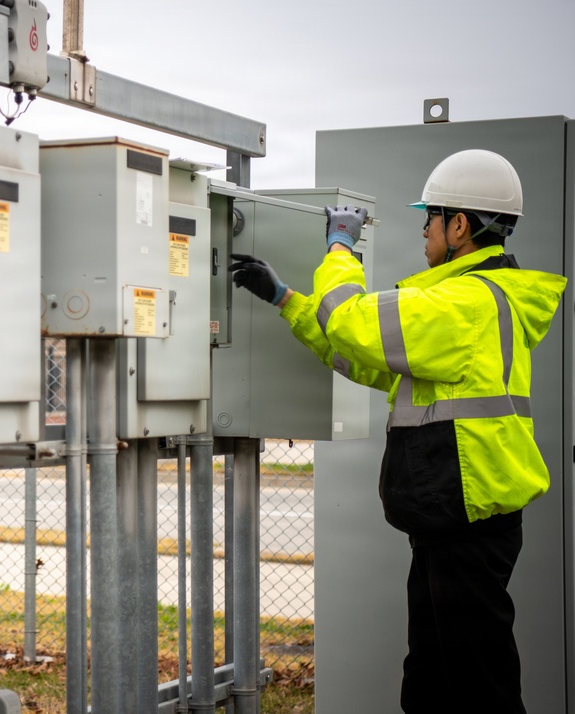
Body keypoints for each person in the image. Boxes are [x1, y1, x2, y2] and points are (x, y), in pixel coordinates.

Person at [229, 149, 566, 714]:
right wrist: (286, 300)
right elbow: (367, 360)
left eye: (430, 218)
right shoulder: (473, 300)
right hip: (455, 518)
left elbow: (353, 322)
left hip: (464, 520)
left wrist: (341, 248)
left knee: (477, 684)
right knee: (433, 677)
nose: (424, 231)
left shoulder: (462, 302)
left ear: (460, 226)